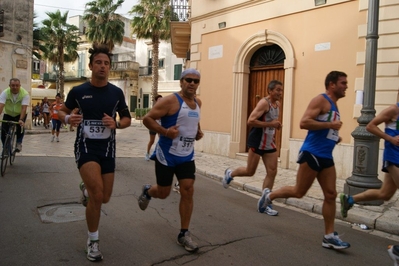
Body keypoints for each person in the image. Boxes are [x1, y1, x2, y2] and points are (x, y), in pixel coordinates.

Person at [257, 71, 350, 249]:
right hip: (312, 153)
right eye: (343, 83)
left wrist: (333, 136)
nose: (346, 86)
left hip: (326, 156)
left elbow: (323, 126)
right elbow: (304, 122)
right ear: (332, 84)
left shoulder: (334, 105)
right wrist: (330, 125)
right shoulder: (320, 100)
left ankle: (329, 236)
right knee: (299, 191)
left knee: (330, 195)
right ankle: (269, 195)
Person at [58, 44, 131, 262]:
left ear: (110, 67)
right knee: (98, 195)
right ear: (90, 66)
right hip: (85, 148)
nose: (102, 66)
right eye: (98, 62)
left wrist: (116, 123)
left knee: (104, 197)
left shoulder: (117, 93)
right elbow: (62, 111)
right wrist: (68, 118)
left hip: (108, 150)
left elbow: (127, 119)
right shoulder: (79, 91)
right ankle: (93, 241)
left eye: (106, 63)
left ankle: (87, 189)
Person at [139, 68, 203, 252]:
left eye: (196, 81)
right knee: (164, 192)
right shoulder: (170, 101)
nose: (192, 83)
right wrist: (166, 132)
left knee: (188, 190)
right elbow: (147, 119)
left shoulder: (198, 102)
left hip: (187, 155)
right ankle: (148, 192)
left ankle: (184, 234)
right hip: (166, 155)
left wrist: (197, 131)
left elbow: (194, 120)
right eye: (188, 80)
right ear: (181, 82)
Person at [338, 103, 399, 261]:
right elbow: (371, 126)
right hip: (393, 158)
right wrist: (390, 139)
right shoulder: (393, 110)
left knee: (384, 194)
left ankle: (350, 199)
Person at [223, 80, 283, 216]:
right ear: (270, 91)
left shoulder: (277, 104)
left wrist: (275, 126)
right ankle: (230, 174)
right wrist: (271, 124)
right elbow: (250, 121)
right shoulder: (264, 103)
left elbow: (271, 122)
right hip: (257, 141)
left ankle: (265, 203)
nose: (280, 93)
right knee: (250, 171)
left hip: (269, 143)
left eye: (281, 90)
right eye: (277, 90)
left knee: (272, 172)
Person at [0, 78, 29, 152]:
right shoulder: (5, 93)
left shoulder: (25, 94)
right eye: (13, 85)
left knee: (20, 127)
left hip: (20, 114)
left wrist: (21, 119)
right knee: (3, 131)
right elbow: (1, 105)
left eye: (17, 85)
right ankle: (6, 148)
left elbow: (23, 108)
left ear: (20, 86)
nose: (15, 87)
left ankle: (19, 142)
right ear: (9, 86)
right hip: (8, 113)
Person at [145, 94, 163, 161]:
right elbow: (150, 117)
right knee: (152, 141)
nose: (160, 100)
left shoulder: (164, 108)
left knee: (161, 140)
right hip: (153, 126)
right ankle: (147, 153)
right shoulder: (154, 108)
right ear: (156, 101)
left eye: (161, 99)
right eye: (159, 99)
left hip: (160, 126)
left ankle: (158, 154)